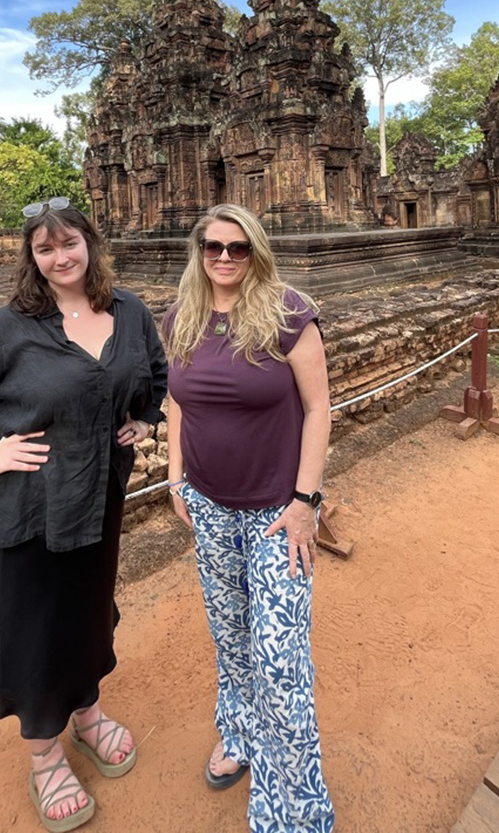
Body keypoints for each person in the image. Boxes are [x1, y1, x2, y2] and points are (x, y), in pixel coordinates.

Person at [0, 199, 167, 832]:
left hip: (99, 498)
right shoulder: (9, 327)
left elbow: (154, 374)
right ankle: (45, 753)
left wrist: (140, 418)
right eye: (45, 249)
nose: (60, 257)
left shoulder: (128, 311)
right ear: (32, 257)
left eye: (69, 243)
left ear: (90, 243)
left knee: (88, 610)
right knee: (31, 626)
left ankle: (87, 714)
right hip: (29, 508)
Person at [164, 203, 335, 833]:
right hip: (208, 504)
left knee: (279, 657)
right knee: (232, 636)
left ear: (256, 251)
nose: (225, 259)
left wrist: (305, 502)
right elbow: (178, 399)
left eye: (238, 248)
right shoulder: (181, 314)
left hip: (275, 512)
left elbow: (318, 409)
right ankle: (237, 730)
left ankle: (294, 809)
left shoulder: (289, 312)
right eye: (214, 248)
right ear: (199, 252)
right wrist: (175, 474)